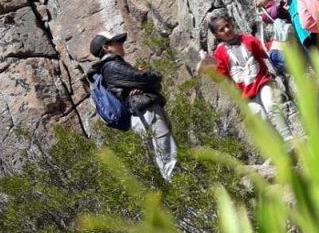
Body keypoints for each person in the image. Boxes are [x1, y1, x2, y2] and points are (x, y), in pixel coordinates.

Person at [87, 31, 177, 181]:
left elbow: (142, 82)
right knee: (169, 158)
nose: (121, 44)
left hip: (140, 116)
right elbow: (150, 79)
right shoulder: (112, 66)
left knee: (163, 160)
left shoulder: (108, 68)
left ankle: (181, 196)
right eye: (117, 41)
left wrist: (144, 85)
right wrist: (152, 77)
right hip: (146, 113)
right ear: (106, 47)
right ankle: (187, 199)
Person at [198, 13, 292, 141]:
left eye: (228, 26)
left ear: (232, 24)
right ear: (216, 35)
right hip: (246, 94)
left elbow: (264, 50)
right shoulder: (219, 53)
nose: (227, 30)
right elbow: (220, 76)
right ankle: (280, 146)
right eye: (222, 29)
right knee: (260, 118)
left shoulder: (247, 39)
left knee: (271, 105)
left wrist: (277, 43)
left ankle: (288, 138)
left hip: (262, 82)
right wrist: (209, 68)